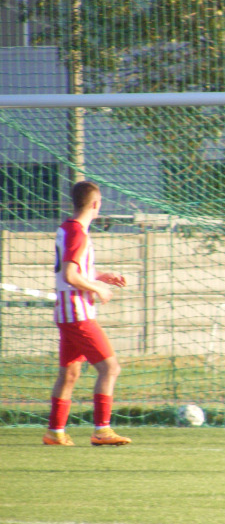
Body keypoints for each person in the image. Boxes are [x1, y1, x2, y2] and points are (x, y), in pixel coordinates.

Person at [43, 180, 131, 447]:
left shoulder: (67, 228)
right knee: (110, 368)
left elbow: (71, 269)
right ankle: (102, 430)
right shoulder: (79, 233)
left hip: (66, 312)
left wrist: (101, 276)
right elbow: (70, 275)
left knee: (70, 374)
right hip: (77, 314)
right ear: (95, 204)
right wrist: (99, 290)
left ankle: (55, 432)